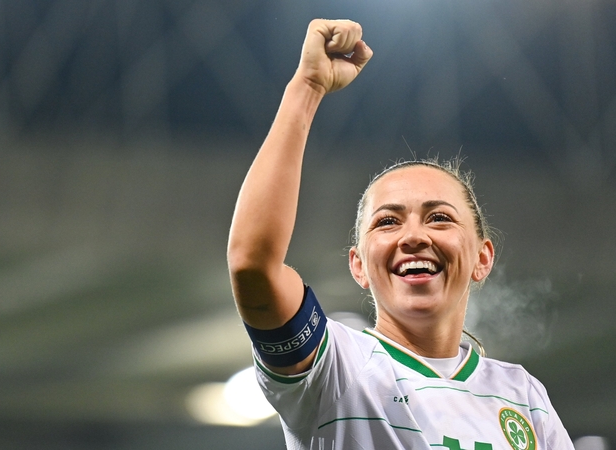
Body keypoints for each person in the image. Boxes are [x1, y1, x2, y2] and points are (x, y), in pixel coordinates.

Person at [227, 18, 575, 450]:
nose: (413, 236)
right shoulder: (335, 368)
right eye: (388, 221)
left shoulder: (524, 397)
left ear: (482, 258)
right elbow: (253, 266)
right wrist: (307, 87)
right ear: (359, 266)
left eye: (440, 218)